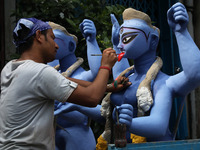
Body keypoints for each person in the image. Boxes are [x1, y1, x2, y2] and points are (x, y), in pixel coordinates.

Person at [0, 17, 131, 150]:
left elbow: (67, 81)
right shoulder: (41, 72)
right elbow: (92, 98)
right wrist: (106, 66)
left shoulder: (10, 68)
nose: (56, 45)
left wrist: (109, 87)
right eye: (52, 38)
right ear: (39, 36)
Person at [110, 2, 200, 142]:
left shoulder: (162, 83)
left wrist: (181, 32)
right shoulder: (126, 78)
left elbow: (159, 125)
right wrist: (76, 104)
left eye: (126, 39)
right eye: (120, 39)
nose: (121, 44)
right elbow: (118, 71)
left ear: (152, 41)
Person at [47, 20, 107, 150]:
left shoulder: (81, 77)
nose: (51, 44)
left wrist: (91, 41)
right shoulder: (50, 73)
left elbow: (98, 72)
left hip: (78, 136)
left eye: (54, 39)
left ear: (70, 46)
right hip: (52, 135)